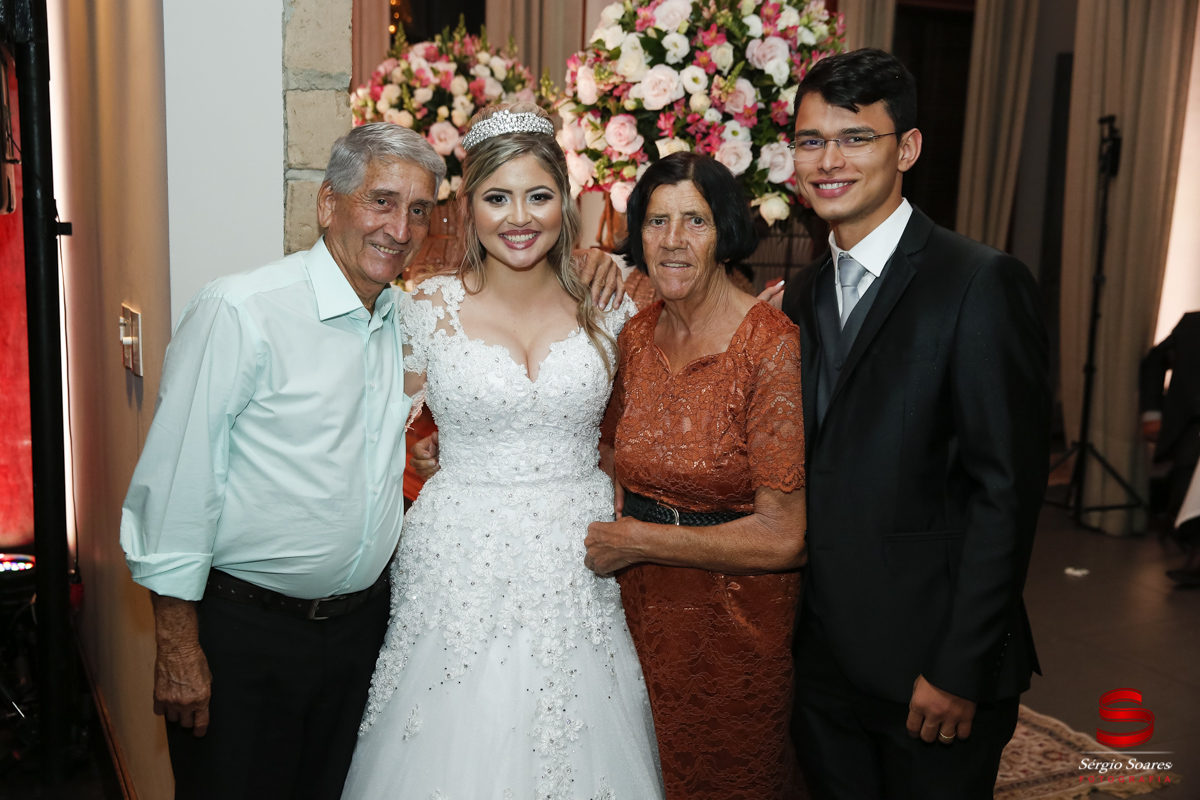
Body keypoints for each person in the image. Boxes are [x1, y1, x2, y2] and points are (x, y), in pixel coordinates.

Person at [119, 121, 625, 800]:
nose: (398, 226)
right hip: (248, 633)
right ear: (329, 204)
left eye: (417, 210)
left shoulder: (400, 316)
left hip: (364, 629)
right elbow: (177, 484)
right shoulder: (245, 310)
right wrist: (179, 645)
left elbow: (412, 425)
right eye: (380, 201)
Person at [339, 106, 664, 799]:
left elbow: (648, 423)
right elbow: (362, 430)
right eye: (497, 197)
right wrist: (425, 455)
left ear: (565, 204)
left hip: (576, 560)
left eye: (539, 195)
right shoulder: (425, 305)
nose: (520, 217)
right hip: (459, 558)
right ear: (468, 207)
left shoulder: (610, 301)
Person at [778, 49, 1050, 799]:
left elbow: (1008, 489)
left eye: (856, 138)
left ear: (907, 148)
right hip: (821, 662)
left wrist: (959, 668)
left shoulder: (979, 282)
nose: (828, 160)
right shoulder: (799, 297)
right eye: (809, 140)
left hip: (933, 668)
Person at [584, 152, 808, 800]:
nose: (672, 241)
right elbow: (605, 447)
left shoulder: (769, 346)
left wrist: (640, 541)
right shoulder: (637, 333)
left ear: (726, 231)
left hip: (735, 624)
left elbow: (783, 536)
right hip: (633, 614)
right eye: (656, 221)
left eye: (694, 222)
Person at [1139, 311, 1200, 586]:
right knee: (1190, 464)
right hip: (1195, 423)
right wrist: (1152, 413)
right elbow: (1154, 363)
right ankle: (1196, 548)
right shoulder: (1193, 325)